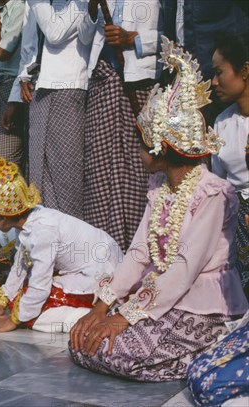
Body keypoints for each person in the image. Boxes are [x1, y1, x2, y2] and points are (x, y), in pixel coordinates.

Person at [68, 37, 249, 382]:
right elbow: (139, 251)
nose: (138, 152)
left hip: (203, 307)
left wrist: (127, 316)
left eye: (141, 142)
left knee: (117, 353)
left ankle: (214, 346)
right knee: (85, 341)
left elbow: (184, 267)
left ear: (159, 147)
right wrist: (104, 305)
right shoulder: (160, 187)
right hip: (164, 297)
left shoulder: (213, 192)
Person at [0, 141, 122, 333]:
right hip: (95, 268)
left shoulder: (43, 230)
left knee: (31, 310)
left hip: (100, 275)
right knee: (23, 300)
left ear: (2, 216)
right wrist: (1, 304)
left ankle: (90, 317)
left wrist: (14, 321)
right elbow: (20, 266)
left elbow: (40, 285)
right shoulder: (30, 221)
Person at [82, 0, 162, 251]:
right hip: (103, 83)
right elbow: (85, 39)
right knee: (100, 168)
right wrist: (93, 10)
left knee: (138, 168)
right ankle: (105, 247)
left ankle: (139, 248)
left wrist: (133, 38)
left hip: (138, 85)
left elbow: (172, 38)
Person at [12, 0, 95, 219]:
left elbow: (54, 32)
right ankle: (42, 230)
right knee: (38, 170)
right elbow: (29, 45)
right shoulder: (40, 4)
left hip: (68, 87)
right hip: (40, 87)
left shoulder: (79, 3)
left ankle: (69, 235)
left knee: (65, 170)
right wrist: (23, 77)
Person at [210, 31, 249, 297]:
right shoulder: (222, 122)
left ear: (244, 70)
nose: (213, 82)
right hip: (237, 222)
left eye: (219, 72)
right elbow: (219, 185)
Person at [0, 0, 26, 168]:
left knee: (6, 157)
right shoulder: (3, 11)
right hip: (4, 84)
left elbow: (2, 53)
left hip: (14, 83)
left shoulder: (18, 8)